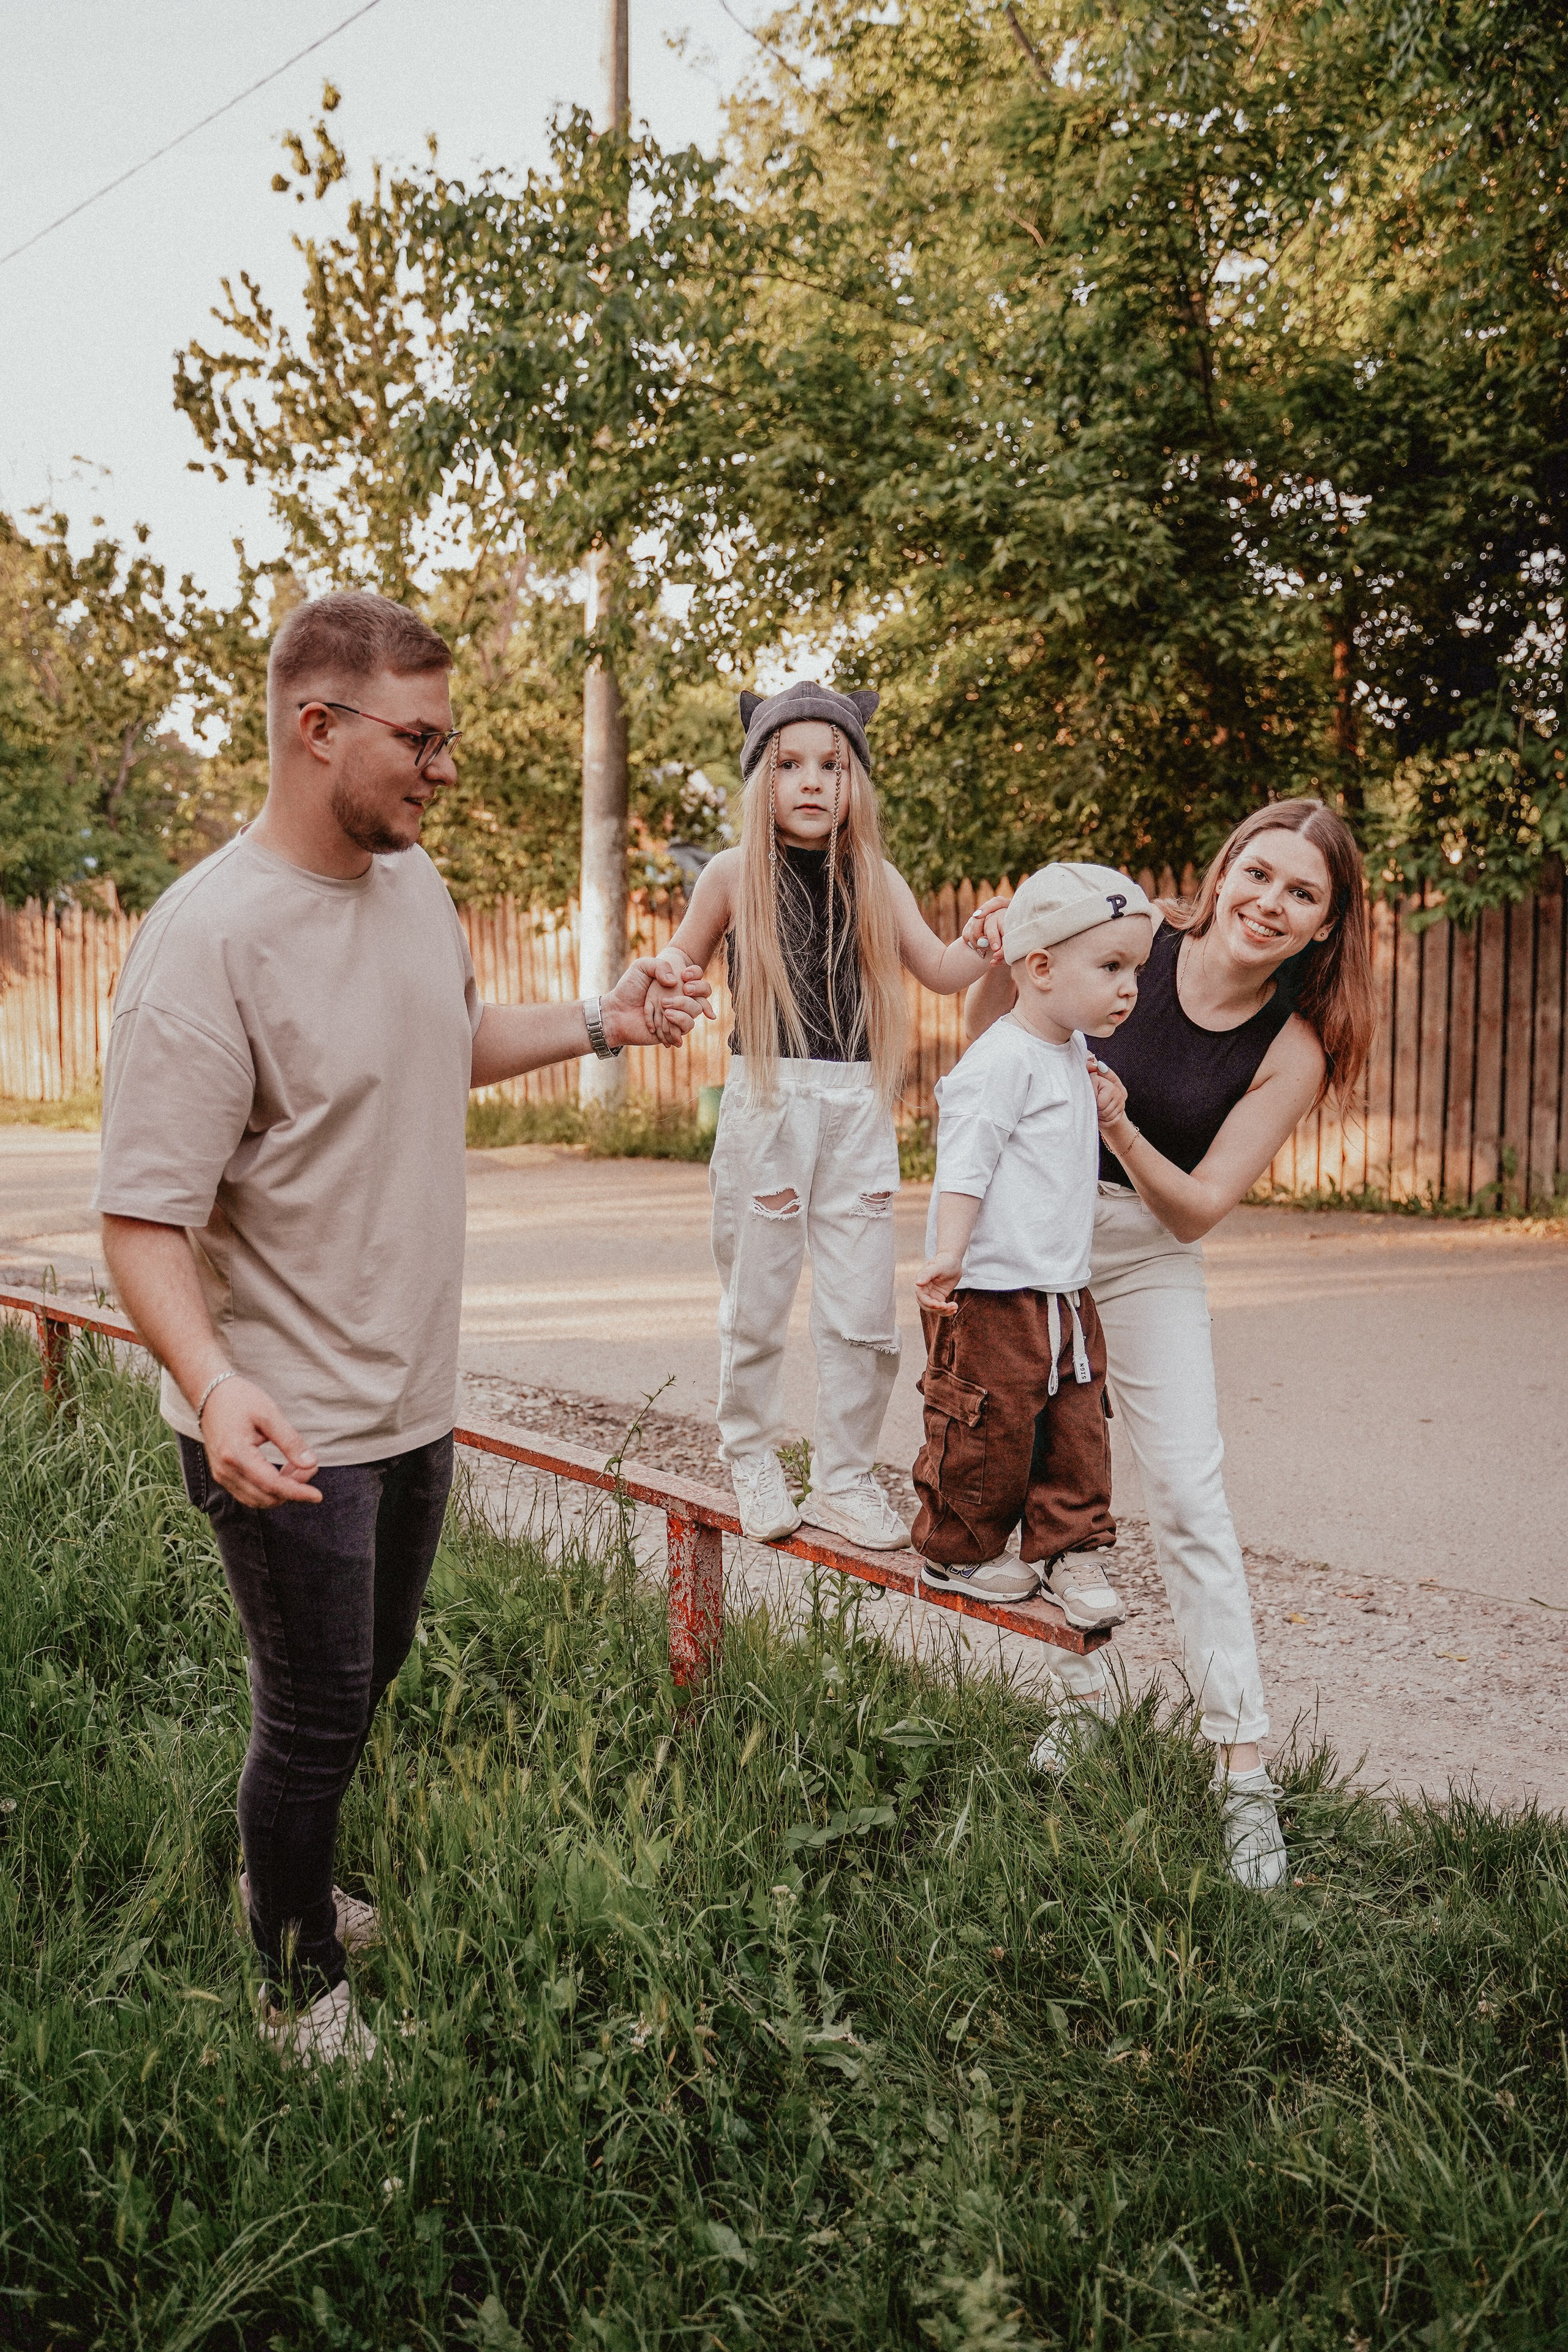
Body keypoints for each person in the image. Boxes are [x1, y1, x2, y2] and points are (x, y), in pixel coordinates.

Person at [92, 590, 709, 2068]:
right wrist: (213, 1379)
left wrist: (599, 1022)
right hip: (285, 1417)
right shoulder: (209, 944)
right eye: (420, 738)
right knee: (309, 1716)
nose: (443, 769)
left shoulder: (410, 887)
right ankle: (289, 1972)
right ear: (318, 728)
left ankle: (288, 1872)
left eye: (447, 739)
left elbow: (442, 1038)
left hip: (413, 1393)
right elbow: (139, 1218)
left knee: (371, 1675)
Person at [965, 799, 1374, 1891]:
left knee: (1191, 1496)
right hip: (1032, 1231)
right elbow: (1002, 1028)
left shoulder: (1293, 1049)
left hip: (1147, 1244)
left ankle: (1243, 1774)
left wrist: (1119, 1124)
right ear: (1226, 864)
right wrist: (1001, 956)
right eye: (1261, 872)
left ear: (1326, 928)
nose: (1270, 903)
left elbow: (1196, 1209)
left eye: (1304, 895)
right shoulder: (1130, 932)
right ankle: (1087, 1698)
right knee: (1050, 1480)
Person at [643, 680, 1007, 1550]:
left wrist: (990, 938)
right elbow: (677, 962)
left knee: (862, 1311)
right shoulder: (734, 875)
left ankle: (845, 1475)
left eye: (832, 767)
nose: (812, 782)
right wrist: (665, 984)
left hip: (856, 1108)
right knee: (759, 1296)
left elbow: (946, 969)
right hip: (769, 1102)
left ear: (856, 783)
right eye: (789, 765)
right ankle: (753, 1457)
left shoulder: (875, 877)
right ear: (759, 780)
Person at [911, 865, 1154, 1627]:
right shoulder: (1000, 1060)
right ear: (1040, 969)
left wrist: (1108, 1097)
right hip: (987, 1288)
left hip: (1060, 1286)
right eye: (1111, 968)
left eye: (1135, 971)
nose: (1129, 988)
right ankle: (959, 1549)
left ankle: (1066, 1549)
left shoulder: (1070, 1048)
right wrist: (949, 1253)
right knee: (986, 1427)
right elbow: (966, 1161)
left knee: (1076, 1424)